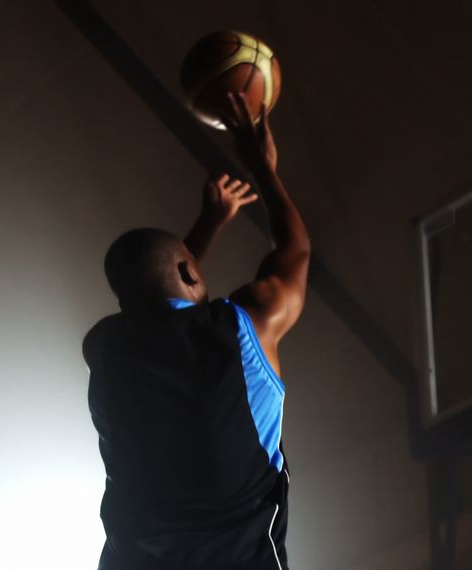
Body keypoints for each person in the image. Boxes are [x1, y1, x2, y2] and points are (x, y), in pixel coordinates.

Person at [83, 92, 309, 569]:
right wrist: (262, 166)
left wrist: (204, 229)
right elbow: (296, 250)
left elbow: (152, 290)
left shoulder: (103, 349)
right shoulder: (247, 324)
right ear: (190, 273)